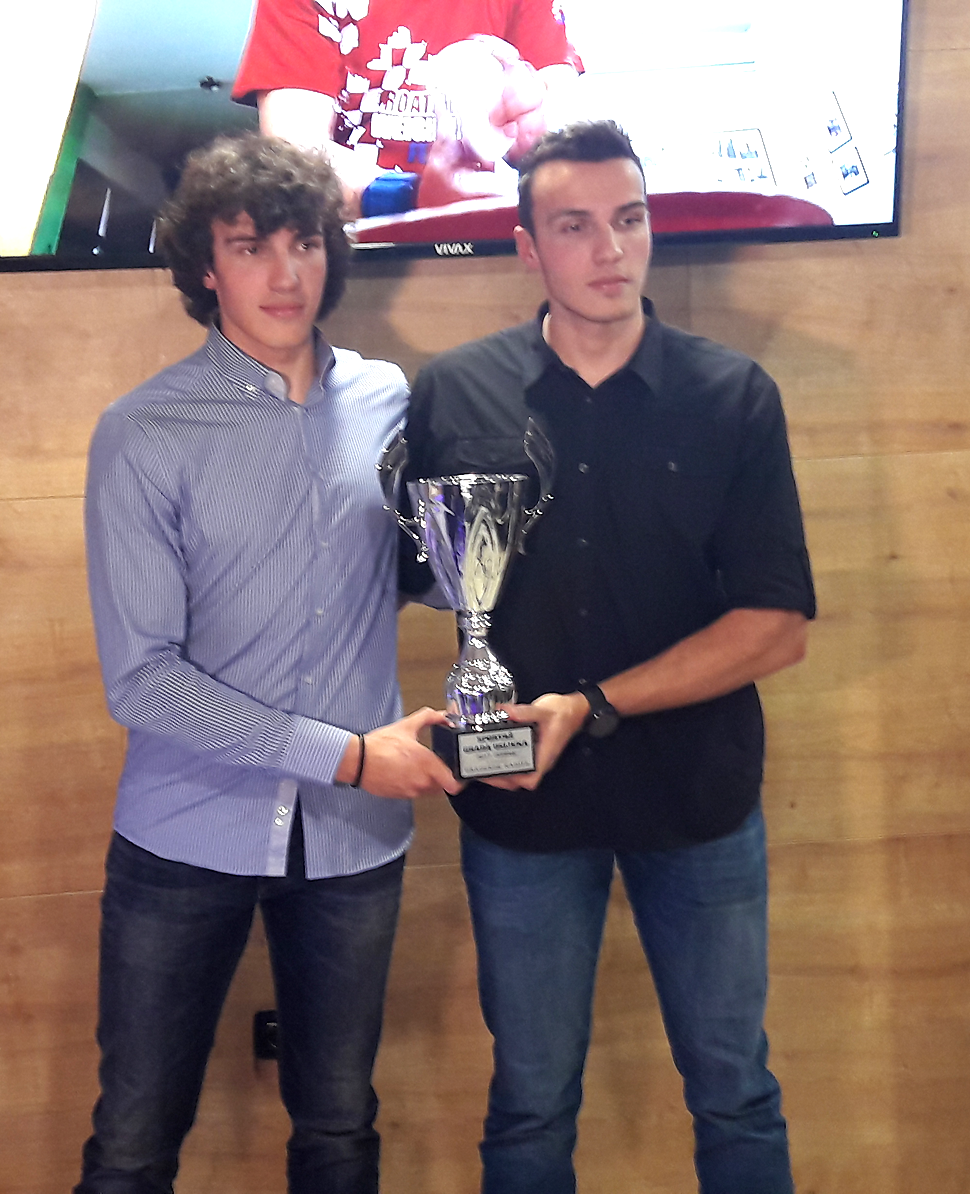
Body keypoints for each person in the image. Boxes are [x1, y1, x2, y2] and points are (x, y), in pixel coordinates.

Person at [400, 119, 816, 1194]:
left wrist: (589, 704)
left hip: (697, 801)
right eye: (575, 227)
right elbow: (413, 576)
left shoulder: (732, 396)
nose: (610, 250)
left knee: (735, 1092)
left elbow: (777, 625)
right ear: (526, 248)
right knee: (529, 1104)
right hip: (520, 807)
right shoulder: (454, 393)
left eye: (628, 220)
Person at [75, 132, 461, 1194]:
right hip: (183, 836)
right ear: (206, 267)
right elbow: (142, 680)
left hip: (351, 845)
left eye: (305, 243)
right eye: (252, 247)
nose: (286, 274)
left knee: (339, 1131)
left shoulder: (390, 401)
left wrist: (486, 578)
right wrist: (348, 757)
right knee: (132, 1147)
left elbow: (426, 577)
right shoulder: (143, 432)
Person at [232, 0, 581, 218]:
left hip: (491, 244)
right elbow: (292, 150)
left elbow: (565, 126)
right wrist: (408, 197)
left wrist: (535, 131)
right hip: (361, 255)